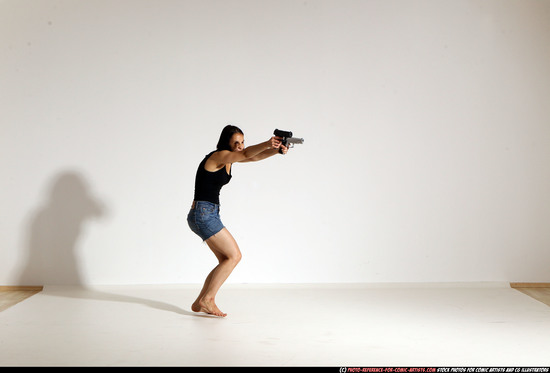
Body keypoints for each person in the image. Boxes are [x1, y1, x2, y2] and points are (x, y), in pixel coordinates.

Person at [187, 125, 288, 317]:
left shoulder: (231, 159)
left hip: (208, 213)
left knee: (226, 259)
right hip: (203, 214)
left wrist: (276, 150)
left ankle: (199, 301)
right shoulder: (218, 156)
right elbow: (248, 154)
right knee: (234, 256)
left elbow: (253, 156)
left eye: (242, 142)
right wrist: (268, 143)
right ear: (227, 143)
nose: (241, 146)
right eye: (236, 143)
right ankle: (207, 300)